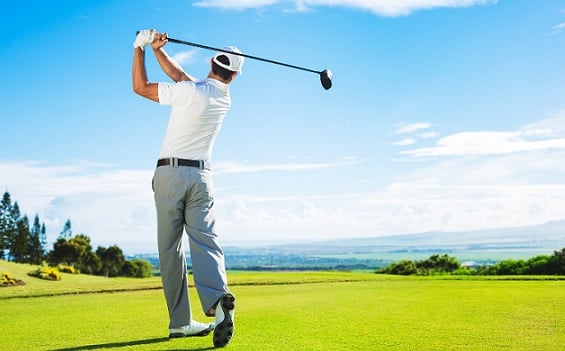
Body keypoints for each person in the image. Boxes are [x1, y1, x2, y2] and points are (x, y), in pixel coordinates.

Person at [132, 29, 240, 348]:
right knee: (206, 243)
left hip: (170, 175)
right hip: (203, 179)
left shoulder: (193, 91)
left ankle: (180, 321)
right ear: (233, 76)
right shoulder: (221, 97)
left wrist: (138, 48)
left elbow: (140, 87)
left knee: (170, 249)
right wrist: (156, 50)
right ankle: (218, 301)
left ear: (211, 61)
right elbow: (180, 76)